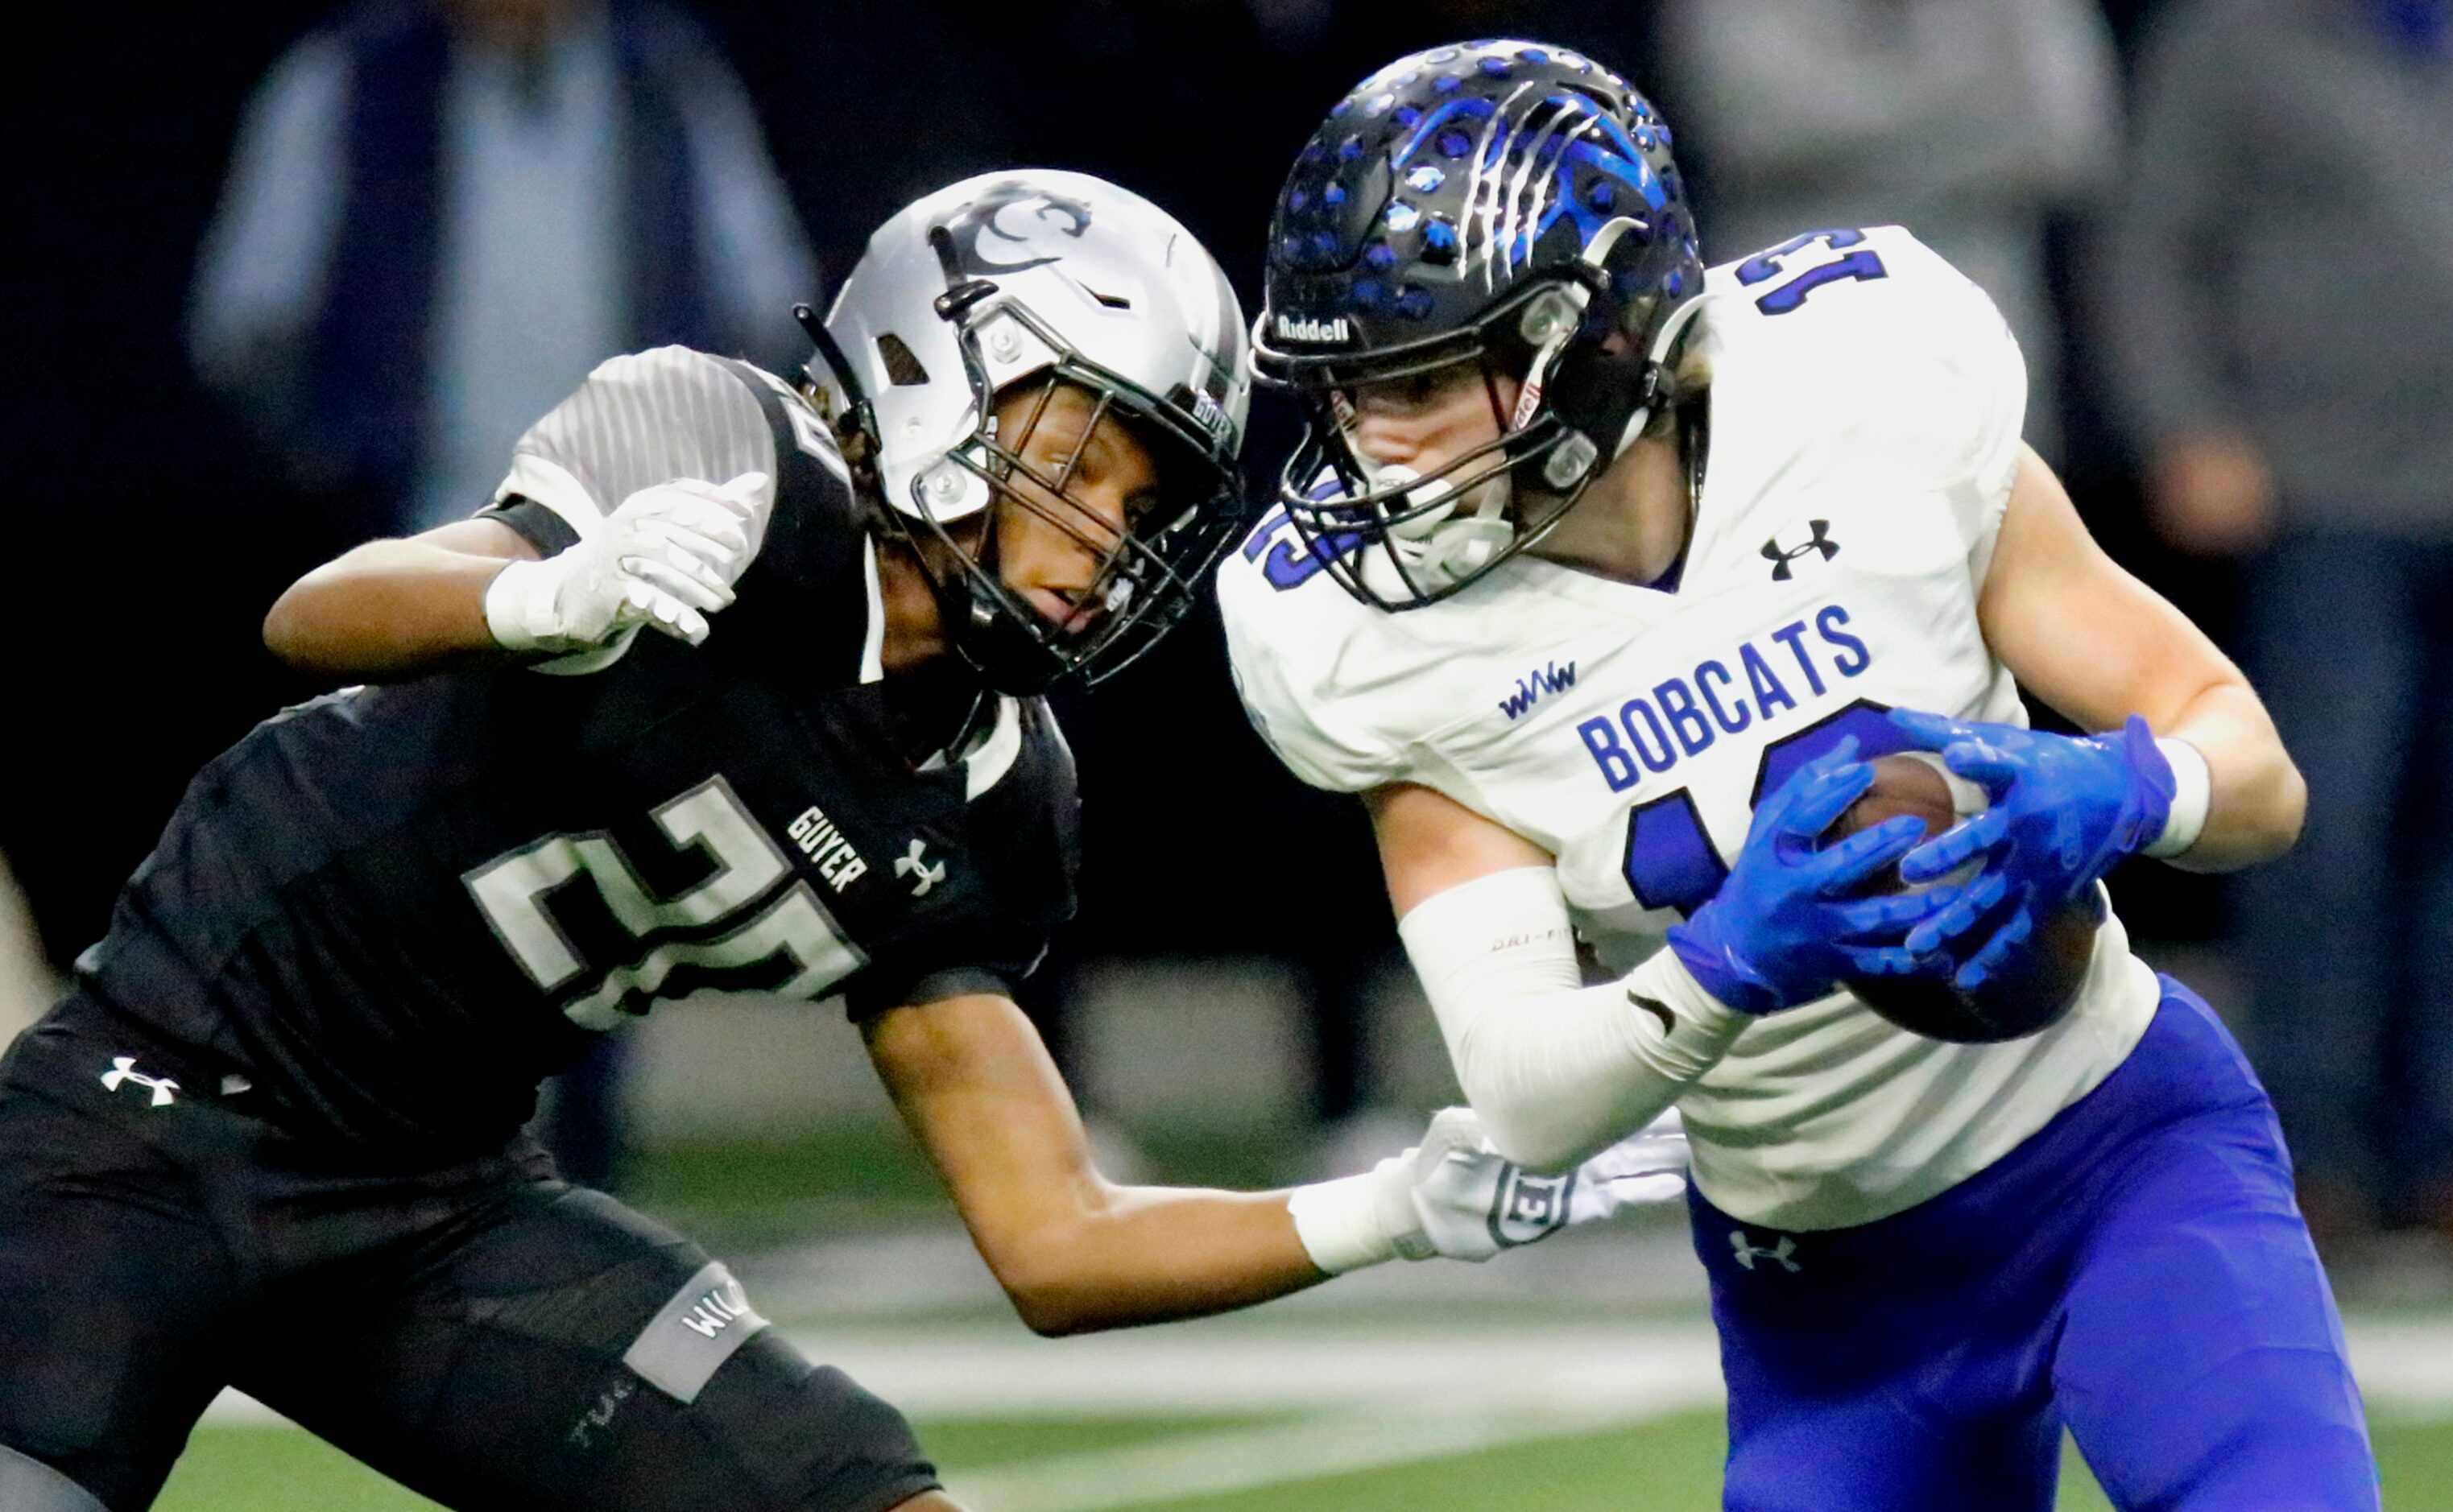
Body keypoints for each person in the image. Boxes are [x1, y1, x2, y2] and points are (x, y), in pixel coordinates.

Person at [0, 170, 1681, 1512]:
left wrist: (1390, 1208)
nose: (1114, 533)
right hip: (136, 1134)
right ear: (934, 368)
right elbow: (316, 615)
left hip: (434, 1204)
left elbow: (1054, 1241)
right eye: (1087, 450)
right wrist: (536, 595)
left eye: (1154, 496)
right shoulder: (725, 462)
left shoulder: (994, 792)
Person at [1218, 40, 2375, 1510]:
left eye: (1425, 380)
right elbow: (1523, 1096)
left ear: (1603, 334)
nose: (1368, 450)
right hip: (1821, 1291)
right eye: (1347, 391)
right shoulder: (1357, 639)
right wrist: (1723, 968)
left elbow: (2254, 769)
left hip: (2116, 1158)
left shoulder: (1863, 384)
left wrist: (2126, 789)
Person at [2103, 0, 2453, 1249]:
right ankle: (2316, 1152)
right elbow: (2152, 242)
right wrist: (2183, 422)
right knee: (2321, 827)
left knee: (2442, 844)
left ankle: (2437, 1154)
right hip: (2322, 483)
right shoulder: (2236, 36)